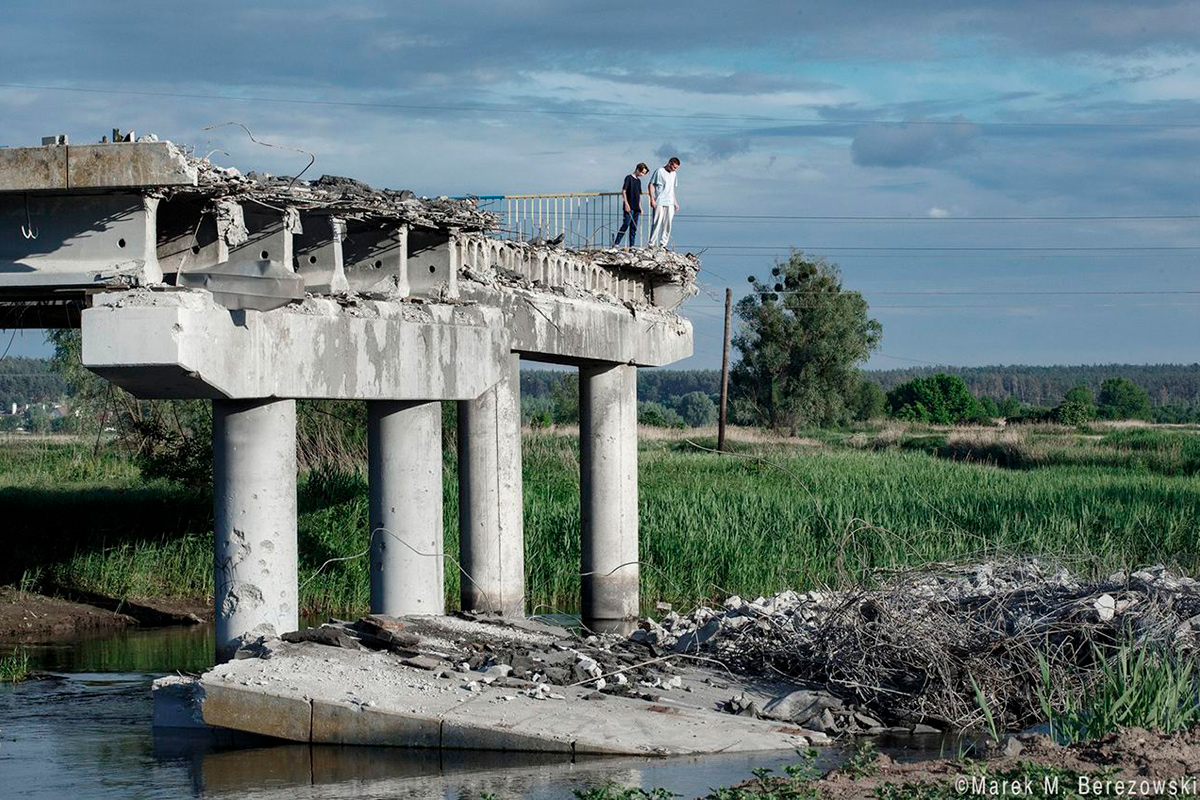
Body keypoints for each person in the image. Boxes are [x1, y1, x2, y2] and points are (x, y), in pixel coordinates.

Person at [613, 163, 649, 247]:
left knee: (634, 227)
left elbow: (639, 195)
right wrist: (626, 203)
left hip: (636, 207)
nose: (643, 175)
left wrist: (641, 207)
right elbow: (624, 191)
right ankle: (616, 243)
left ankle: (632, 245)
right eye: (642, 173)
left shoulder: (638, 181)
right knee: (626, 223)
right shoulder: (628, 178)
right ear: (638, 169)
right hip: (629, 206)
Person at [648, 157, 680, 247]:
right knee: (657, 222)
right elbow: (651, 185)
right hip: (660, 201)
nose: (675, 169)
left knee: (667, 224)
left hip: (670, 202)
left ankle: (663, 245)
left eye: (676, 168)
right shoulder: (659, 171)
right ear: (670, 164)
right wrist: (652, 199)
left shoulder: (674, 174)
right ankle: (651, 244)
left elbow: (672, 189)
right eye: (674, 167)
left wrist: (675, 202)